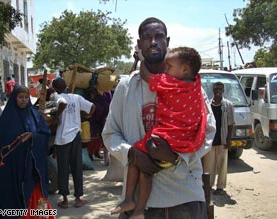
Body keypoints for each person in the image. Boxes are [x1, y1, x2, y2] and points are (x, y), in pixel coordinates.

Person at [102, 17, 216, 219]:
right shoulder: (126, 87)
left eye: (159, 37)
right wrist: (133, 155)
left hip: (185, 196)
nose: (153, 42)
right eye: (147, 37)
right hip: (139, 202)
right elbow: (110, 134)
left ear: (167, 41)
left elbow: (207, 131)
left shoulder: (189, 86)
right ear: (139, 45)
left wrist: (176, 157)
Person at [0, 85, 55, 218]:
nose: (24, 100)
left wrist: (33, 136)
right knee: (13, 197)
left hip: (32, 167)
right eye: (20, 97)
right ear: (14, 98)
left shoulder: (35, 115)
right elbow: (1, 144)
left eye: (26, 97)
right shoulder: (5, 121)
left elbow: (45, 132)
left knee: (37, 194)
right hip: (12, 168)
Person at [51, 78, 95, 209]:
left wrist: (56, 115)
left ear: (55, 88)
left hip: (62, 139)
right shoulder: (76, 97)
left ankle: (64, 200)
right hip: (75, 136)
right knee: (77, 168)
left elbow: (63, 103)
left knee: (63, 169)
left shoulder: (56, 96)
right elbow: (92, 106)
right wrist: (87, 116)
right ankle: (78, 199)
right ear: (65, 86)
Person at [202, 82, 234, 196]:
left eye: (220, 88)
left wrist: (229, 139)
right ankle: (208, 186)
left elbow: (231, 124)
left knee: (222, 165)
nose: (218, 90)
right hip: (210, 141)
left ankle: (220, 187)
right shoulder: (208, 104)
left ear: (223, 90)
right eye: (216, 88)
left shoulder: (228, 105)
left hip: (222, 140)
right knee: (208, 166)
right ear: (213, 90)